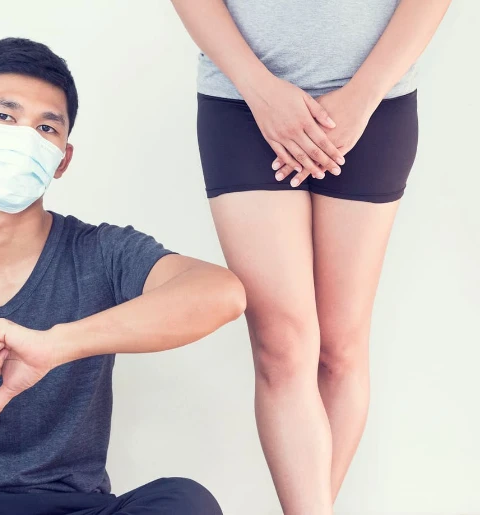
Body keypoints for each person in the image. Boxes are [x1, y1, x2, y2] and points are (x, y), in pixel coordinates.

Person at [0, 37, 245, 515]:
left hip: (67, 506)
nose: (25, 138)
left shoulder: (101, 253)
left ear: (63, 159)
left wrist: (56, 345)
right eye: (4, 116)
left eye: (46, 127)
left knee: (184, 502)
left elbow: (221, 293)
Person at [170, 1, 451, 513]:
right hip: (243, 104)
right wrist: (259, 90)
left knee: (340, 350)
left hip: (374, 103)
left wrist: (363, 96)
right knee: (281, 346)